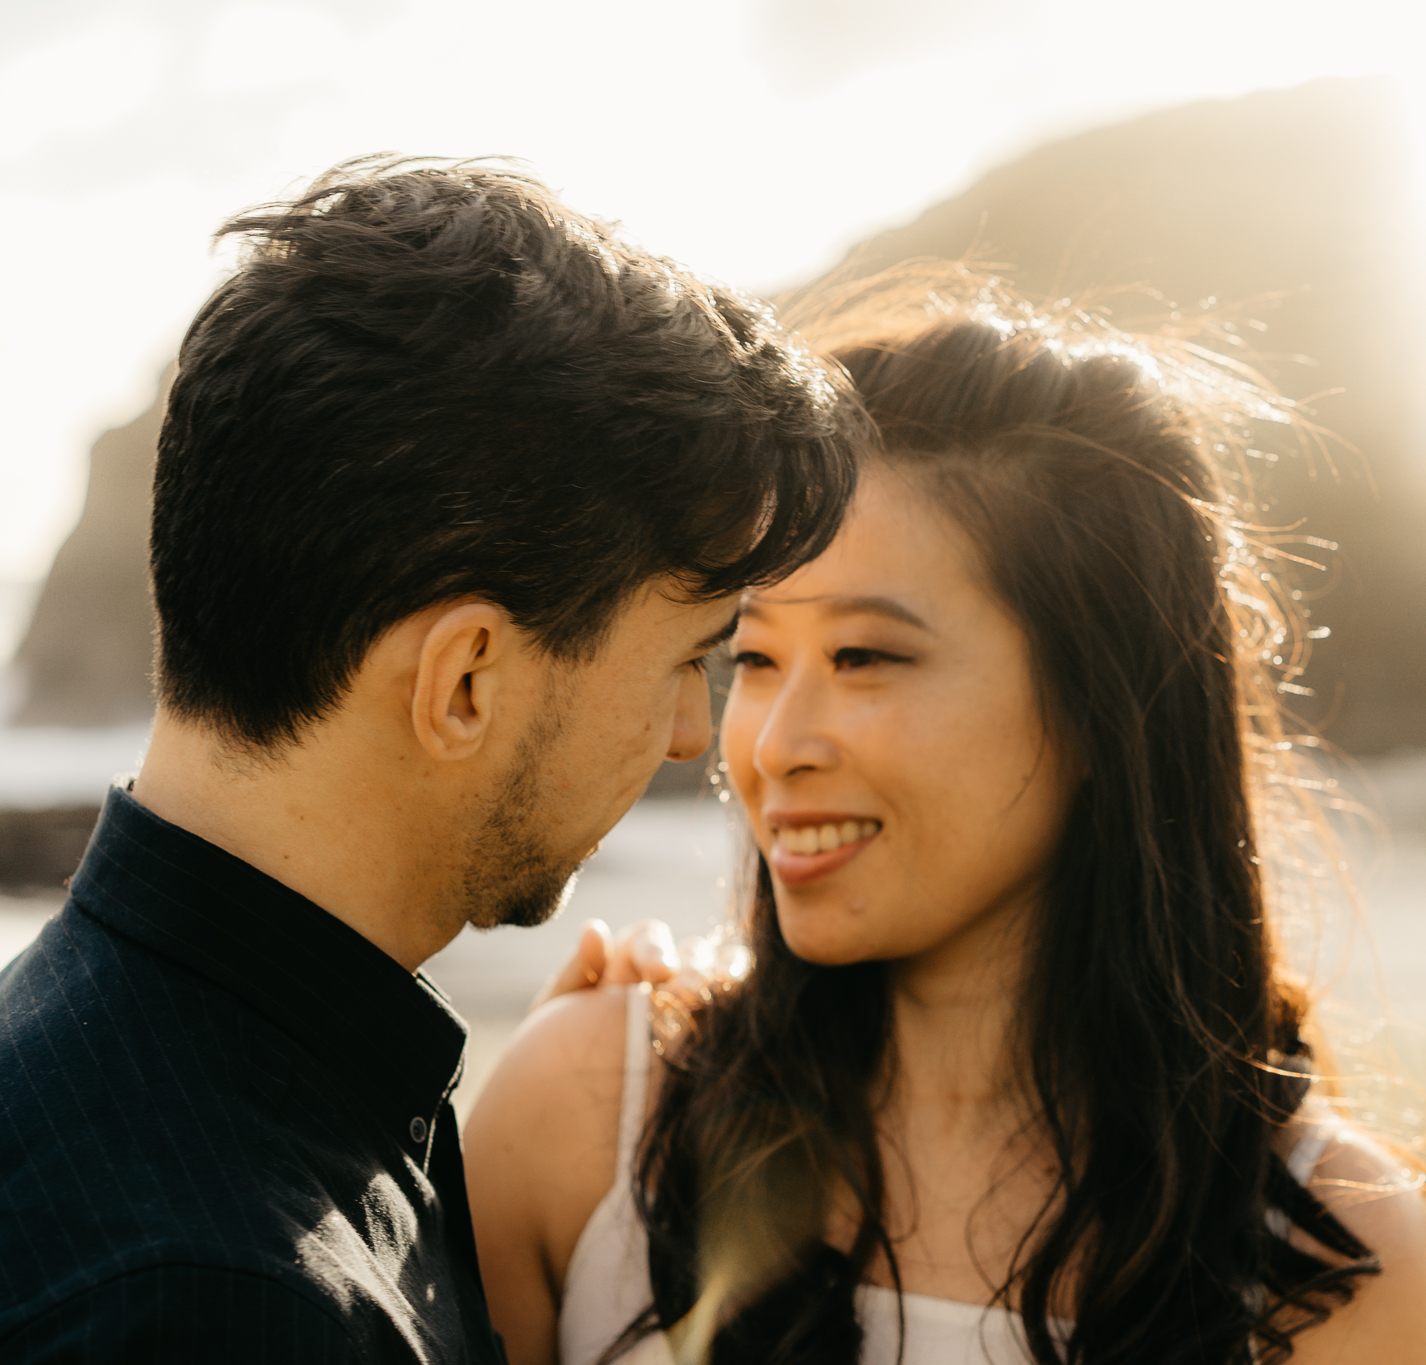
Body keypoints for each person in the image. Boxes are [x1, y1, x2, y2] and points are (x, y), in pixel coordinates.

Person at [468, 275, 1426, 1364]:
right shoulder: (585, 1118)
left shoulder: (1330, 1260)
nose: (771, 743)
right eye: (751, 658)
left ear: (1101, 705)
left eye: (864, 657)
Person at [0, 156, 863, 1361]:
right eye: (687, 658)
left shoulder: (125, 1076)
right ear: (463, 683)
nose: (689, 735)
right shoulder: (224, 1303)